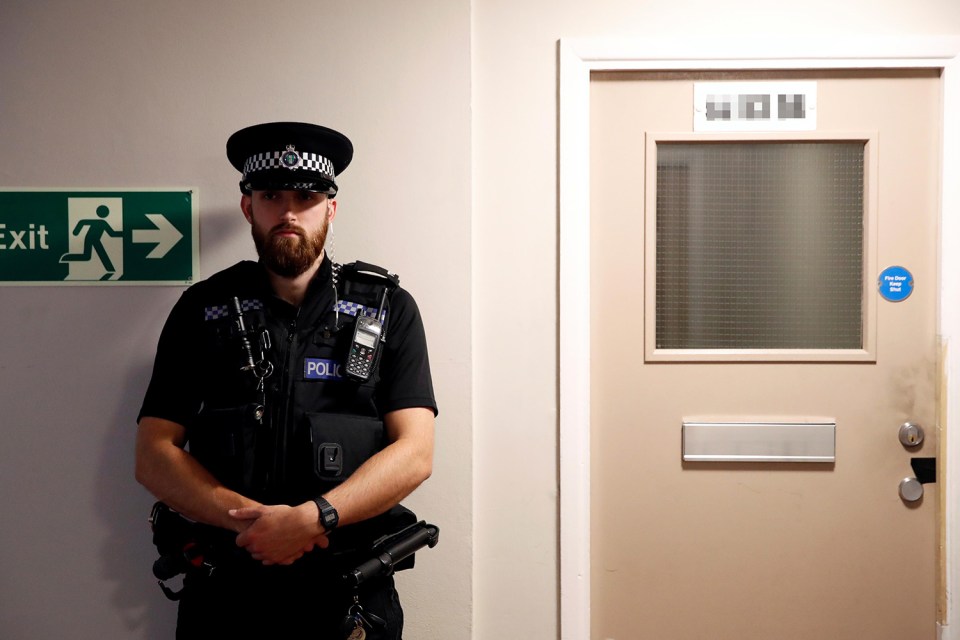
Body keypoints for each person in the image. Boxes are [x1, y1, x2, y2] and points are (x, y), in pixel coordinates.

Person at [135, 121, 437, 639]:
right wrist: (248, 525)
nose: (290, 213)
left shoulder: (386, 309)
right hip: (228, 591)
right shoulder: (202, 310)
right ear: (248, 207)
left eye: (307, 195)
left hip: (349, 594)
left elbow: (416, 452)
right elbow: (153, 452)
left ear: (331, 208)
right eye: (272, 196)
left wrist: (313, 519)